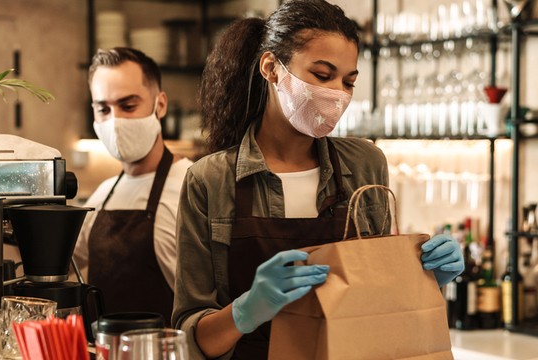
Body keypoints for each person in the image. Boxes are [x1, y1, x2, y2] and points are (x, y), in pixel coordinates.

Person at [172, 1, 464, 359]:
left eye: (348, 81)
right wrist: (246, 310)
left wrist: (423, 277)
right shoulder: (209, 181)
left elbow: (380, 305)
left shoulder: (364, 165)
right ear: (271, 68)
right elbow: (189, 339)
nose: (337, 94)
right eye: (322, 75)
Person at [73, 47, 192, 325]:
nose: (115, 121)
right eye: (103, 109)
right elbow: (62, 263)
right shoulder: (103, 194)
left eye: (128, 106)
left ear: (159, 105)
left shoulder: (192, 186)